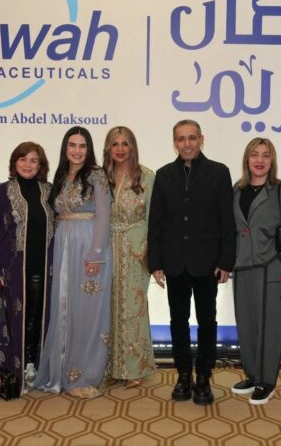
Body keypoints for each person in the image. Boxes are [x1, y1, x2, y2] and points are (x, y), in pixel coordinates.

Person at [148, 119, 235, 405]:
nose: (187, 144)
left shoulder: (219, 172)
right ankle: (184, 375)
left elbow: (227, 221)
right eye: (181, 139)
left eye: (192, 138)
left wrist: (226, 261)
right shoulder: (163, 175)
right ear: (175, 142)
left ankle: (204, 377)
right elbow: (156, 221)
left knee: (208, 321)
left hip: (208, 263)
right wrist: (155, 262)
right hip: (174, 262)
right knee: (178, 322)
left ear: (201, 140)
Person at [33, 126, 112, 399]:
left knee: (88, 311)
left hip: (89, 246)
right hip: (63, 248)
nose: (77, 151)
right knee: (64, 307)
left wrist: (96, 254)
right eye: (72, 145)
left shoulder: (97, 176)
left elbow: (104, 217)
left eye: (82, 146)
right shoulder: (60, 176)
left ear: (89, 149)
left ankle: (84, 374)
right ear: (65, 148)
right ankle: (60, 369)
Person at [230, 138, 281, 405]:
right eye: (254, 154)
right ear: (247, 159)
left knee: (270, 327)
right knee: (246, 325)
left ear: (272, 160)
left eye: (266, 155)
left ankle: (267, 381)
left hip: (272, 267)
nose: (260, 160)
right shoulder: (236, 190)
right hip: (242, 267)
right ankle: (253, 375)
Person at [0, 142, 56, 397]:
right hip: (12, 271)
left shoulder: (49, 191)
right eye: (23, 159)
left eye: (33, 160)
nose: (28, 164)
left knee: (38, 318)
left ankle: (34, 365)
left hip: (45, 269)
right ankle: (15, 369)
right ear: (15, 163)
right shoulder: (3, 192)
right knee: (15, 320)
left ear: (41, 165)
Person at [103, 126, 156, 387]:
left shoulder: (146, 176)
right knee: (108, 308)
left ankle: (135, 369)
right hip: (107, 249)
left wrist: (150, 255)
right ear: (108, 148)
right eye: (115, 144)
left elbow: (154, 219)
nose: (120, 149)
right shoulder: (101, 177)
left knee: (133, 308)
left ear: (133, 146)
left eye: (125, 143)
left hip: (136, 250)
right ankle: (113, 368)